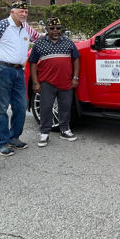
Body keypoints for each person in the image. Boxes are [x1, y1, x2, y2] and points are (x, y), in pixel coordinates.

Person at [0, 0, 42, 156]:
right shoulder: (2, 25)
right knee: (1, 108)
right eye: (20, 11)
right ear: (12, 12)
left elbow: (40, 39)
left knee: (21, 105)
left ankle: (14, 137)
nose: (24, 14)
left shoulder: (26, 28)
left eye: (26, 11)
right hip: (1, 70)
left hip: (18, 71)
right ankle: (1, 142)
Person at [28, 17, 80, 147]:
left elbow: (76, 59)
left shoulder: (68, 42)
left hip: (66, 82)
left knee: (65, 107)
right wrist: (35, 82)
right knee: (45, 108)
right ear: (47, 29)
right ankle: (44, 133)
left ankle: (65, 130)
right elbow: (32, 63)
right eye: (52, 28)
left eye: (58, 28)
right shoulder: (39, 44)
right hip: (47, 83)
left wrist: (75, 77)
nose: (55, 31)